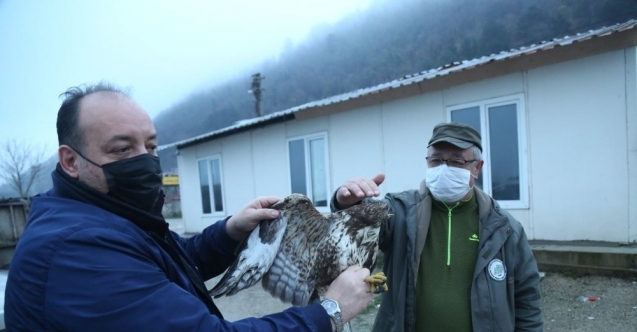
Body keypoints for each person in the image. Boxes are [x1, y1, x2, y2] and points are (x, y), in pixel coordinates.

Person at [4, 83, 373, 331]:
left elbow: (169, 261)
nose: (145, 160)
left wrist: (230, 232)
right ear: (71, 161)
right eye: (121, 149)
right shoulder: (75, 249)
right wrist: (330, 311)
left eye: (150, 146)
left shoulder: (106, 217)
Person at [331, 122, 543, 331]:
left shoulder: (504, 229)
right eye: (436, 160)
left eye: (456, 162)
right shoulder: (401, 211)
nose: (444, 169)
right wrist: (347, 203)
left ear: (477, 168)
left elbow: (527, 300)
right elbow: (359, 228)